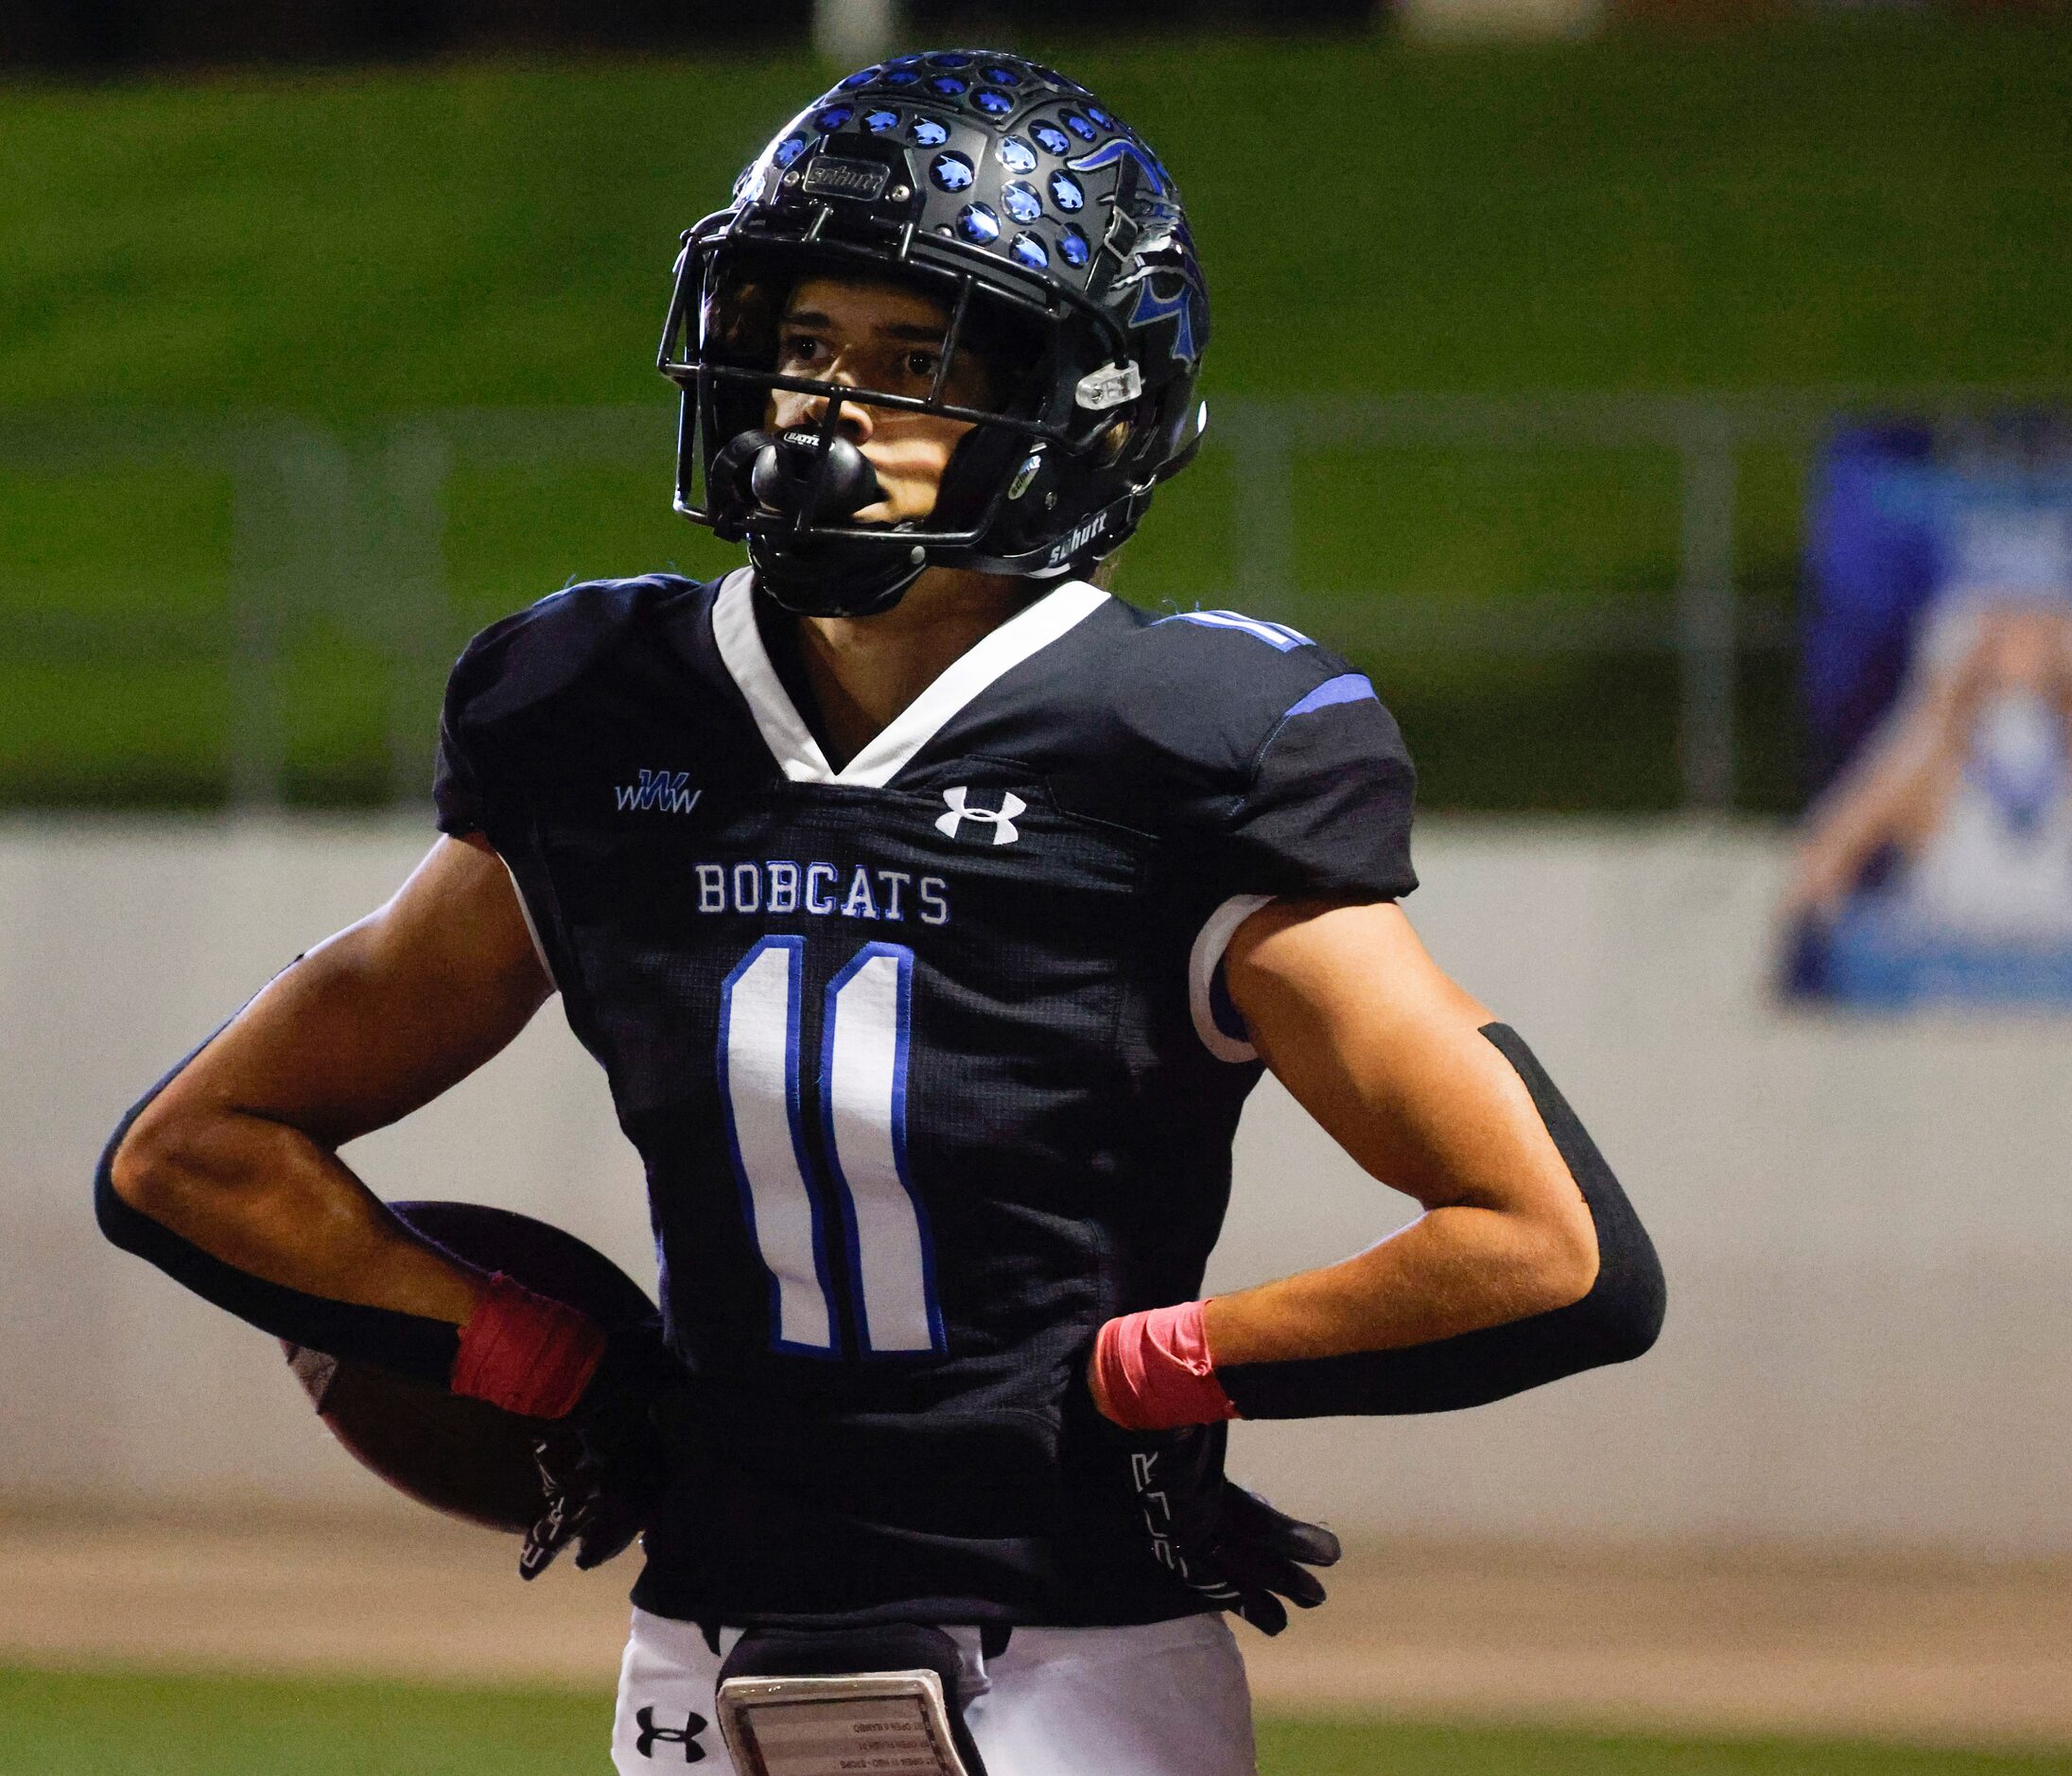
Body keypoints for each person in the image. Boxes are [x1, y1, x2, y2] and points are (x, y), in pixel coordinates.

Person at [97, 52, 1662, 1776]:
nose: (825, 410)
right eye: (801, 346)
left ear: (1091, 400)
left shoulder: (1180, 745)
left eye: (917, 362)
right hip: (696, 1655)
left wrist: (1166, 1368)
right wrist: (534, 1355)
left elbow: (1547, 1247)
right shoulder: (603, 708)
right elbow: (197, 1152)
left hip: (1069, 1653)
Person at [1784, 572, 2072, 1006]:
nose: (2019, 634)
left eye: (2037, 623)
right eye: (2002, 620)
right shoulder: (1934, 762)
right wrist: (1942, 706)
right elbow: (1825, 857)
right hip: (1946, 962)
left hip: (2058, 961)